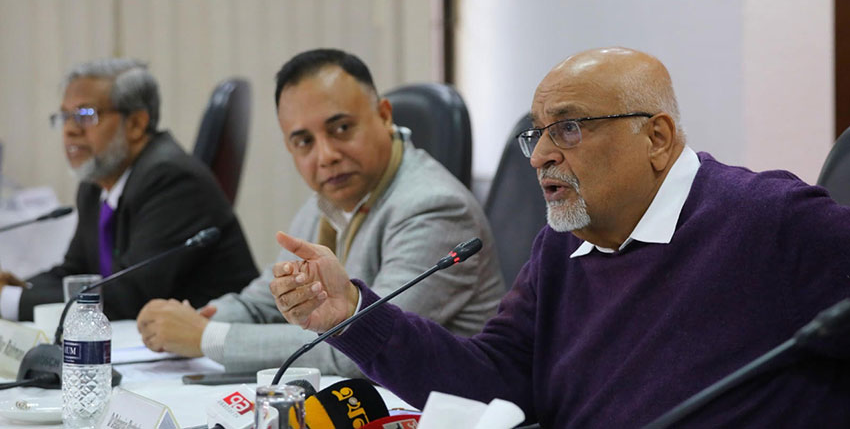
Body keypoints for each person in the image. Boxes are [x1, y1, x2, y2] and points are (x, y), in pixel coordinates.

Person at [270, 47, 850, 427]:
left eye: (569, 128)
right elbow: (493, 381)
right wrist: (354, 314)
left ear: (656, 138)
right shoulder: (565, 243)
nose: (541, 155)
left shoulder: (771, 221)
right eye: (537, 134)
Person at [136, 49, 504, 377]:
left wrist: (207, 338)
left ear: (384, 116)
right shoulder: (328, 201)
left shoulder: (435, 208)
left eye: (341, 128)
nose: (326, 156)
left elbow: (365, 343)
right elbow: (265, 301)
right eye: (304, 142)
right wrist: (193, 320)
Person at [0, 58, 257, 321]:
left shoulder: (172, 179)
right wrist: (20, 287)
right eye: (65, 116)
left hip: (216, 336)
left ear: (135, 124)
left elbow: (129, 296)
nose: (70, 130)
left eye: (85, 115)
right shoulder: (95, 184)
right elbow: (76, 271)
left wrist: (9, 301)